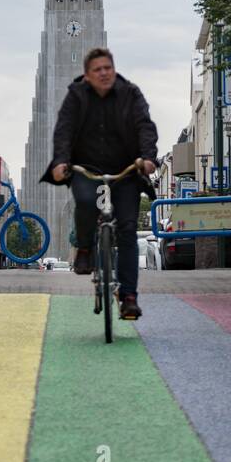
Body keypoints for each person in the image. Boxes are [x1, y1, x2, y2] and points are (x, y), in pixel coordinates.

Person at [42, 47, 158, 320]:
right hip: (87, 168)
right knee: (83, 200)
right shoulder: (76, 96)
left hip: (126, 170)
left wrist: (148, 157)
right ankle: (85, 248)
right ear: (87, 75)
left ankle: (129, 296)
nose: (104, 73)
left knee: (128, 229)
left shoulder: (131, 93)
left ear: (113, 69)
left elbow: (145, 125)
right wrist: (61, 161)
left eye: (108, 68)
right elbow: (64, 131)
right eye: (98, 70)